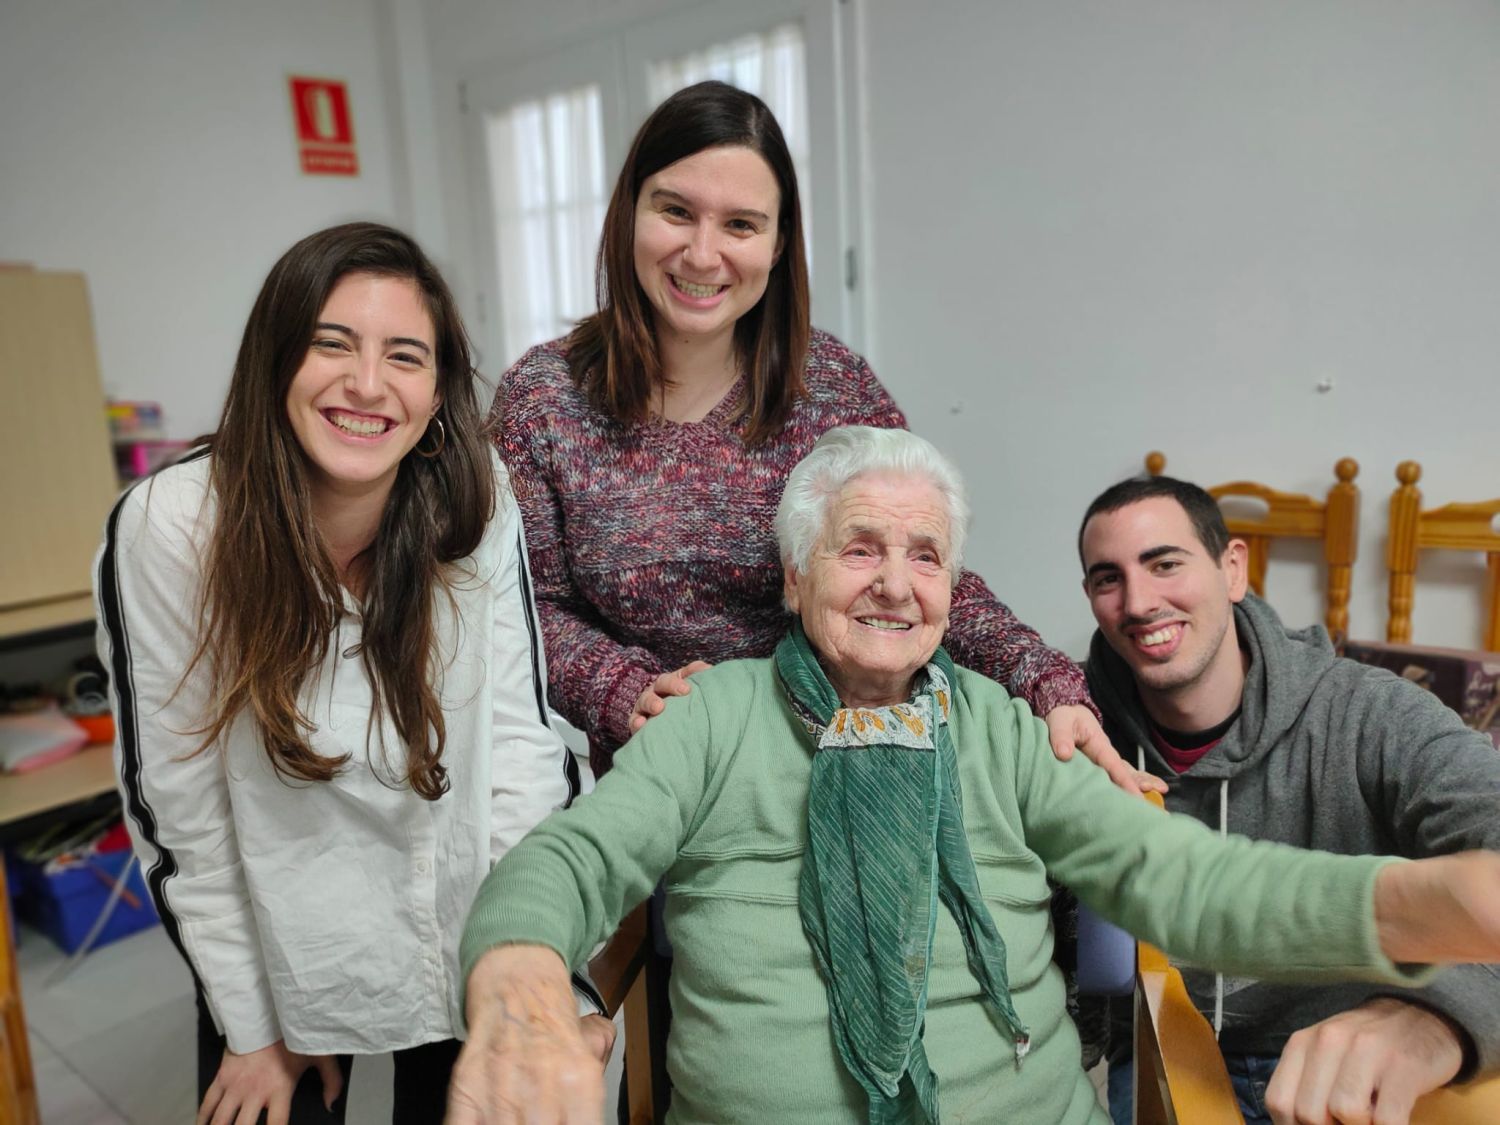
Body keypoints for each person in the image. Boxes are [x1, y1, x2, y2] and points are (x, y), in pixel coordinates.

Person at [447, 426, 1500, 1125]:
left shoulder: (1002, 728)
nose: (898, 587)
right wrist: (520, 973)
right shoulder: (712, 716)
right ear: (795, 573)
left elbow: (1184, 878)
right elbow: (573, 857)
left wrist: (1411, 901)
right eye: (861, 549)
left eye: (927, 556)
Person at [490, 80, 1143, 792]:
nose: (703, 255)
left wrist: (1047, 680)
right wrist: (623, 687)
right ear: (629, 214)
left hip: (843, 761)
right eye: (676, 211)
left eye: (741, 225)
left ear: (777, 246)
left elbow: (925, 571)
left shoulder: (832, 387)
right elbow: (526, 607)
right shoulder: (542, 400)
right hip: (665, 778)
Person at [93, 223, 590, 1125]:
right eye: (332, 344)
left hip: (461, 904)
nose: (368, 385)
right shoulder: (176, 524)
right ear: (275, 360)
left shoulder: (476, 498)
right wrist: (253, 1018)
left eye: (406, 355)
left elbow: (521, 746)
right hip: (273, 917)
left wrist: (541, 969)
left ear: (438, 393)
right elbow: (182, 806)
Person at [1077, 474, 1500, 1125]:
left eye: (1165, 563)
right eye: (1108, 578)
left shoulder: (1374, 714)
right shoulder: (1077, 727)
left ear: (1233, 568)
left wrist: (1437, 1018)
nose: (1139, 601)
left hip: (1341, 1066)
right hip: (1163, 1048)